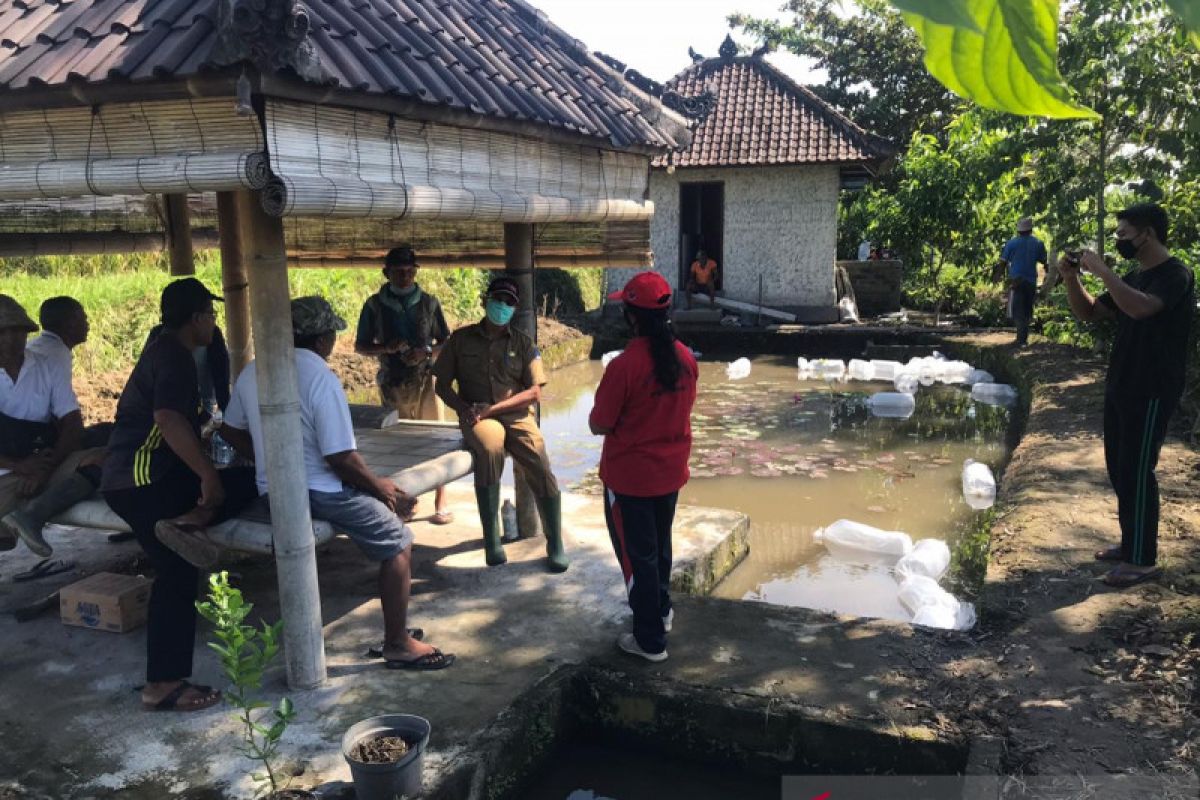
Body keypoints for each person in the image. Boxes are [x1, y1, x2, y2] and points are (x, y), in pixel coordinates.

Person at [221, 296, 453, 670]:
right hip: (321, 492)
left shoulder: (253, 371)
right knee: (398, 542)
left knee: (385, 509)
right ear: (321, 339)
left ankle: (398, 631)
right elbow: (340, 459)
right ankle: (397, 642)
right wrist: (380, 488)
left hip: (272, 490)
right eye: (331, 334)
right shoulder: (320, 378)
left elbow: (230, 430)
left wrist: (273, 460)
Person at [101, 278, 258, 712]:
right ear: (196, 318)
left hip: (153, 477)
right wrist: (207, 475)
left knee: (243, 483)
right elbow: (169, 419)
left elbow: (192, 423)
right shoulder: (174, 356)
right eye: (211, 314)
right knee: (176, 570)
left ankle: (190, 520)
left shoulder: (171, 352)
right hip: (138, 481)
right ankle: (162, 685)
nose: (214, 322)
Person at [1057, 203, 1194, 588]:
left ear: (1147, 233)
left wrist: (1103, 269)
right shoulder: (1135, 276)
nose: (1119, 242)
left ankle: (1143, 559)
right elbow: (1090, 312)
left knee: (1137, 469)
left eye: (1123, 235)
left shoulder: (1175, 274)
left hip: (1152, 387)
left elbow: (1140, 309)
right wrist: (1072, 279)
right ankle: (1129, 542)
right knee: (1119, 467)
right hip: (1123, 381)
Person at [590, 272, 698, 662]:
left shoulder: (624, 366)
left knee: (638, 558)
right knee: (659, 546)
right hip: (670, 474)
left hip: (630, 478)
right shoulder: (686, 358)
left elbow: (599, 422)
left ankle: (649, 640)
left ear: (631, 317)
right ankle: (662, 611)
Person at [433, 275, 568, 572]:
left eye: (509, 303)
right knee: (490, 449)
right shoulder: (461, 339)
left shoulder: (524, 343)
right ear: (485, 301)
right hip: (477, 416)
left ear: (515, 308)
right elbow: (441, 385)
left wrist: (493, 408)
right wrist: (464, 409)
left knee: (539, 460)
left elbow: (534, 392)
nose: (502, 306)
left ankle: (555, 541)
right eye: (498, 300)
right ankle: (492, 538)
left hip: (515, 414)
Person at [355, 246, 454, 524]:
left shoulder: (430, 303)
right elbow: (361, 346)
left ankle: (440, 498)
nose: (405, 277)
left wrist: (425, 351)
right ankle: (404, 498)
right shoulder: (374, 305)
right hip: (392, 383)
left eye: (410, 271)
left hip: (426, 381)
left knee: (435, 438)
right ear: (386, 273)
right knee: (398, 443)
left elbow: (445, 344)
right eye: (398, 272)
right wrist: (386, 348)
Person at [0, 295, 105, 558]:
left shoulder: (45, 366)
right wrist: (19, 466)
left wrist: (45, 469)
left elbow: (72, 423)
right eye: (3, 332)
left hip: (44, 463)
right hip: (7, 471)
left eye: (19, 331)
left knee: (104, 458)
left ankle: (31, 516)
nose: (13, 339)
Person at [997, 217, 1048, 347]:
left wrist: (998, 276)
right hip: (1031, 281)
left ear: (1019, 230)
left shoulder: (1012, 243)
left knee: (1018, 310)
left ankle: (1021, 340)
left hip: (1017, 280)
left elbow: (1002, 262)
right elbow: (1044, 261)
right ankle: (1023, 338)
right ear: (1030, 229)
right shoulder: (1038, 243)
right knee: (1027, 308)